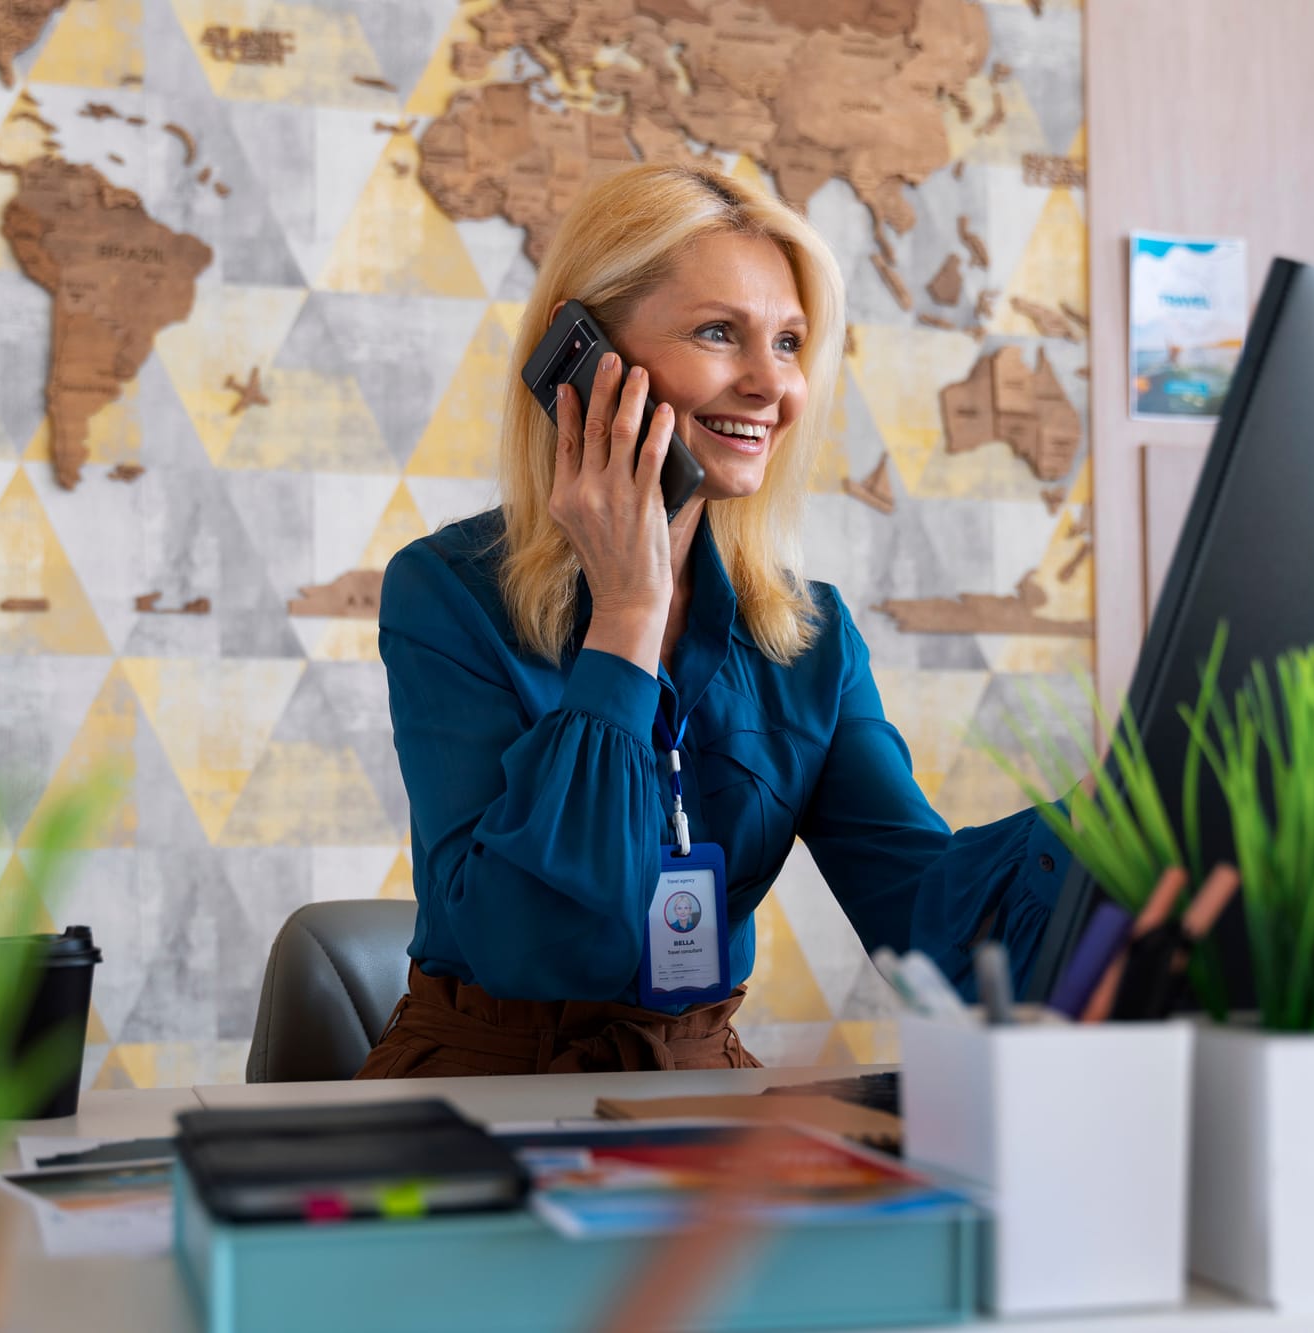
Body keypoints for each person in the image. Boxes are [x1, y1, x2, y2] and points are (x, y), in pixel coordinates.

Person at [356, 163, 1071, 1079]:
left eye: (789, 342)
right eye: (717, 333)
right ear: (585, 360)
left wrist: (1133, 812)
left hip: (698, 1084)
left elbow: (927, 920)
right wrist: (627, 613)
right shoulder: (447, 593)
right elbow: (537, 942)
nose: (771, 384)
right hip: (483, 1090)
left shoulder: (807, 638)